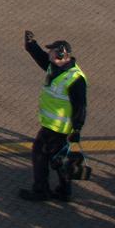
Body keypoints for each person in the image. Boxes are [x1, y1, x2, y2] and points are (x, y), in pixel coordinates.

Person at [18, 31, 87, 202]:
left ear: (62, 54)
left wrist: (77, 128)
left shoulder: (75, 79)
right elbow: (42, 59)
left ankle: (41, 191)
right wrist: (31, 45)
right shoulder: (55, 67)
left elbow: (80, 106)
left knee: (39, 155)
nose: (49, 54)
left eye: (52, 52)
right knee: (59, 160)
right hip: (52, 125)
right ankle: (64, 191)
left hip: (57, 128)